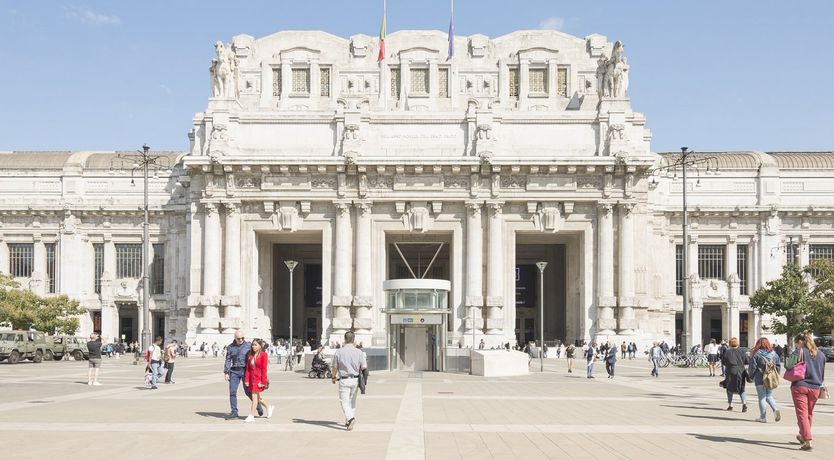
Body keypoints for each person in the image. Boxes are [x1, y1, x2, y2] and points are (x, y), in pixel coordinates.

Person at [790, 332, 827, 451]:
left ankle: (808, 441)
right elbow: (822, 372)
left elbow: (788, 365)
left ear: (800, 342)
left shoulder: (798, 352)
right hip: (815, 387)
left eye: (797, 343)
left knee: (802, 413)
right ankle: (803, 435)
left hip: (800, 385)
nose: (797, 345)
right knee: (809, 413)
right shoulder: (821, 354)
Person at [331, 331, 367, 431]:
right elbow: (364, 366)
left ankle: (350, 419)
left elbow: (334, 367)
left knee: (344, 401)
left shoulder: (339, 352)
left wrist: (333, 377)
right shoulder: (359, 352)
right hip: (355, 379)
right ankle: (348, 420)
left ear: (345, 339)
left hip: (344, 379)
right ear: (354, 339)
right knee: (352, 401)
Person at [224, 330, 263, 419]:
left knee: (248, 392)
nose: (241, 340)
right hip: (234, 371)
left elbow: (257, 354)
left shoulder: (248, 346)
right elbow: (228, 360)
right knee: (232, 392)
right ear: (235, 338)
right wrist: (226, 372)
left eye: (242, 338)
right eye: (238, 338)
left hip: (246, 371)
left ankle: (258, 405)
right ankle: (234, 411)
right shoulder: (230, 347)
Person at [747, 337, 781, 423]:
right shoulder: (774, 354)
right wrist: (776, 375)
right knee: (769, 396)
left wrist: (750, 376)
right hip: (770, 378)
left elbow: (752, 367)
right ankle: (776, 409)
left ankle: (763, 417)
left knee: (762, 397)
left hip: (759, 378)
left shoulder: (756, 354)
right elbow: (778, 366)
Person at [243, 338, 274, 423]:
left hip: (258, 379)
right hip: (251, 379)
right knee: (257, 397)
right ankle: (268, 406)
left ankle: (251, 415)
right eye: (253, 345)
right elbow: (248, 369)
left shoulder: (264, 355)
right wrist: (246, 380)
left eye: (255, 345)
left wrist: (263, 382)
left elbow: (264, 369)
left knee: (254, 397)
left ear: (260, 346)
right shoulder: (250, 355)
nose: (253, 346)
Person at [720, 337, 748, 412]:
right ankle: (744, 403)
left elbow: (723, 362)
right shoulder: (742, 351)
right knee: (741, 387)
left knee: (729, 388)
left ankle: (730, 405)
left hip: (730, 371)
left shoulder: (727, 352)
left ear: (730, 343)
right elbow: (747, 361)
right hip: (741, 371)